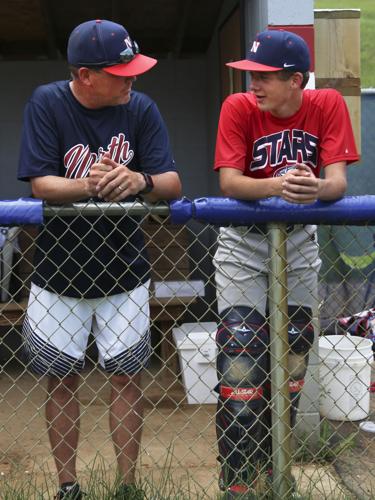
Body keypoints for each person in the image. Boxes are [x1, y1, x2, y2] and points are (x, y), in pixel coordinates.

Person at [17, 19, 181, 500]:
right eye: (121, 71)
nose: (133, 79)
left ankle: (126, 487)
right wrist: (98, 185)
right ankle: (69, 486)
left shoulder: (141, 108)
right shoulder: (49, 102)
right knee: (60, 380)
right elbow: (41, 185)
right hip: (57, 273)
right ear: (86, 75)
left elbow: (172, 181)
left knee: (127, 380)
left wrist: (139, 182)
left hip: (124, 270)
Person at [212, 29, 359, 498]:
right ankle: (239, 481)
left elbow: (336, 183)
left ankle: (277, 473)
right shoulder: (237, 108)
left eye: (263, 77)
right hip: (243, 244)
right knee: (241, 365)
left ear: (295, 80)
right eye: (250, 75)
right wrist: (278, 188)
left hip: (298, 242)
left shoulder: (327, 103)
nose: (252, 85)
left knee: (292, 362)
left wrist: (315, 189)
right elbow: (231, 184)